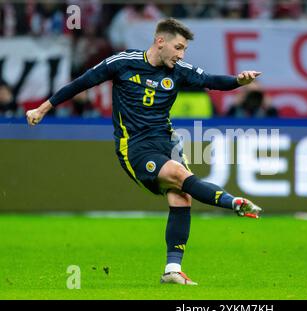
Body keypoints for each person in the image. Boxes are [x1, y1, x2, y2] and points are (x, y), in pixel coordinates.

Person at [26, 18, 262, 286]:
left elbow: (211, 80)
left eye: (184, 49)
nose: (181, 55)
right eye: (178, 47)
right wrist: (43, 108)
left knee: (182, 197)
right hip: (135, 147)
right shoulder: (122, 63)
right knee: (178, 175)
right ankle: (233, 202)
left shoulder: (178, 70)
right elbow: (82, 83)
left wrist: (237, 81)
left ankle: (172, 270)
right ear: (160, 41)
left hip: (167, 142)